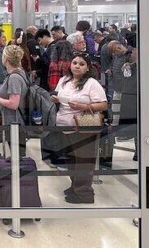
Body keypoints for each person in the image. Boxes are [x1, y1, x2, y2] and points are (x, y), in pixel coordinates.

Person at [51, 53, 108, 204]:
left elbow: (103, 104)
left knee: (84, 160)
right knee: (71, 159)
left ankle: (84, 193)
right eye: (75, 63)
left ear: (87, 67)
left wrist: (83, 106)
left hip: (84, 125)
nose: (77, 66)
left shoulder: (92, 83)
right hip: (64, 126)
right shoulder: (64, 80)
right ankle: (76, 186)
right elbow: (57, 95)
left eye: (81, 64)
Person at [0, 45, 30, 158]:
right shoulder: (19, 73)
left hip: (15, 122)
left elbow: (13, 104)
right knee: (17, 155)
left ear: (6, 59)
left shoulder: (14, 78)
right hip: (16, 121)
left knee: (18, 157)